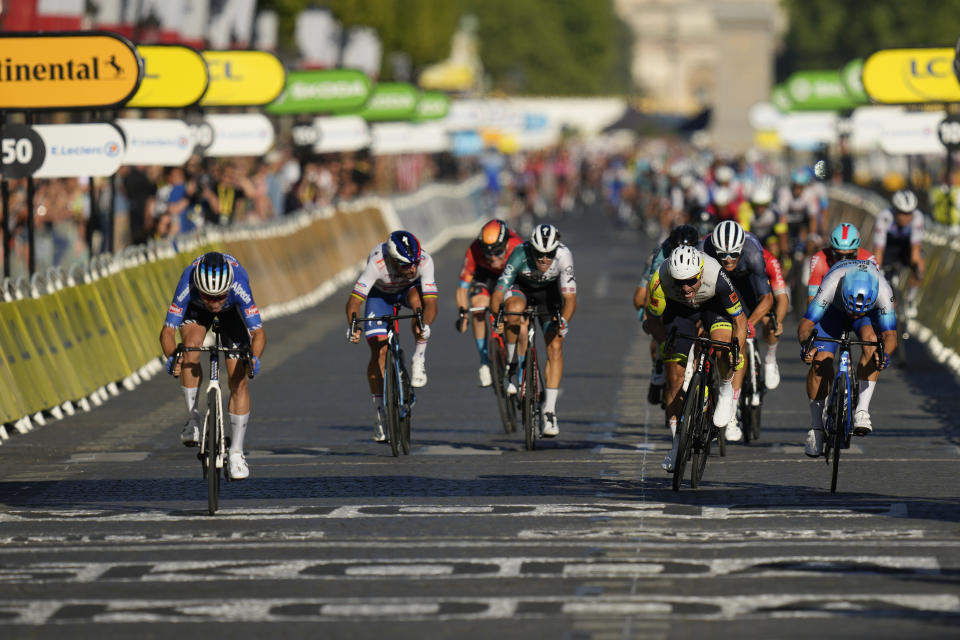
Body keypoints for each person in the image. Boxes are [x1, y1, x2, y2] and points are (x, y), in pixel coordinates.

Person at [160, 252, 266, 480]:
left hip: (233, 314)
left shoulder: (238, 283)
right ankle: (193, 419)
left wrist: (254, 358)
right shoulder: (188, 281)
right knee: (190, 347)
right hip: (196, 312)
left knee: (238, 378)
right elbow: (167, 331)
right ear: (199, 288)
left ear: (228, 288)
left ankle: (236, 452)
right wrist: (171, 357)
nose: (215, 302)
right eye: (209, 297)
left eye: (220, 296)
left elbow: (258, 333)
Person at [644, 245, 747, 470]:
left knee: (723, 348)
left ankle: (726, 391)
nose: (686, 287)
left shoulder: (716, 275)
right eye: (680, 282)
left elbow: (740, 321)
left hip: (713, 306)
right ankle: (676, 444)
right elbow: (651, 320)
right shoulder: (659, 279)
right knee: (674, 376)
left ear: (700, 272)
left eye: (691, 281)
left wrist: (735, 352)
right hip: (680, 311)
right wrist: (664, 345)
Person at [798, 260, 898, 457]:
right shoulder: (832, 283)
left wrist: (883, 355)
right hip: (833, 311)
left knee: (872, 345)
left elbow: (890, 336)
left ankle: (862, 411)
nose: (853, 314)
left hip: (867, 316)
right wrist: (806, 346)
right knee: (821, 361)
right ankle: (816, 428)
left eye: (856, 310)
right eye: (851, 310)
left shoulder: (884, 290)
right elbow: (806, 325)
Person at [346, 230, 437, 442]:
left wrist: (425, 324)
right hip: (380, 296)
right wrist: (353, 326)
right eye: (407, 265)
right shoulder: (377, 264)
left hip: (408, 291)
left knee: (419, 306)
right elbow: (354, 301)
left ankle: (418, 358)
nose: (413, 268)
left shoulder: (424, 261)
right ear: (393, 261)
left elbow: (432, 302)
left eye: (414, 263)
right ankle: (380, 414)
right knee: (378, 348)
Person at [490, 224, 576, 438]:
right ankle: (511, 365)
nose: (544, 259)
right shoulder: (519, 253)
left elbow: (570, 299)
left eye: (549, 255)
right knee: (513, 312)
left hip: (549, 297)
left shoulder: (564, 256)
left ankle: (549, 411)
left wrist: (563, 322)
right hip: (521, 290)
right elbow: (498, 294)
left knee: (555, 346)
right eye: (539, 255)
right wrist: (497, 317)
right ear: (532, 250)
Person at [702, 220, 773, 441]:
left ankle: (732, 410)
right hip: (715, 289)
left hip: (745, 289)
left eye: (733, 254)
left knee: (738, 343)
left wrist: (748, 323)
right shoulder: (705, 251)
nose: (728, 259)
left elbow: (767, 298)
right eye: (722, 255)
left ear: (741, 249)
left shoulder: (752, 255)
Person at [633, 224, 699, 404]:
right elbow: (648, 291)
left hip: (684, 289)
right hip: (660, 284)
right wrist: (650, 317)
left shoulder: (701, 253)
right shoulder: (661, 254)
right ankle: (658, 364)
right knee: (652, 315)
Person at [456, 219, 524, 386]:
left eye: (498, 252)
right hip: (486, 277)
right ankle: (484, 361)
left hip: (511, 276)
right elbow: (462, 288)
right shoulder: (474, 250)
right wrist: (463, 315)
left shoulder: (517, 246)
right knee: (478, 306)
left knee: (518, 316)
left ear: (506, 244)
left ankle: (522, 366)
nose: (493, 257)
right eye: (488, 252)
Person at [873, 189, 925, 318]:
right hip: (888, 248)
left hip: (906, 247)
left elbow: (915, 252)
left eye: (909, 213)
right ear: (895, 210)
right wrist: (878, 271)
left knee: (919, 264)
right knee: (880, 273)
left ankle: (910, 300)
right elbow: (878, 251)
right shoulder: (885, 217)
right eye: (902, 213)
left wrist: (916, 268)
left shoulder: (918, 217)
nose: (906, 217)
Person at [807, 222, 876, 304]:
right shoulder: (819, 259)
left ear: (857, 251)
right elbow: (812, 300)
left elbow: (876, 298)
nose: (844, 261)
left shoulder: (869, 260)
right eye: (838, 256)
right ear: (831, 250)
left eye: (849, 256)